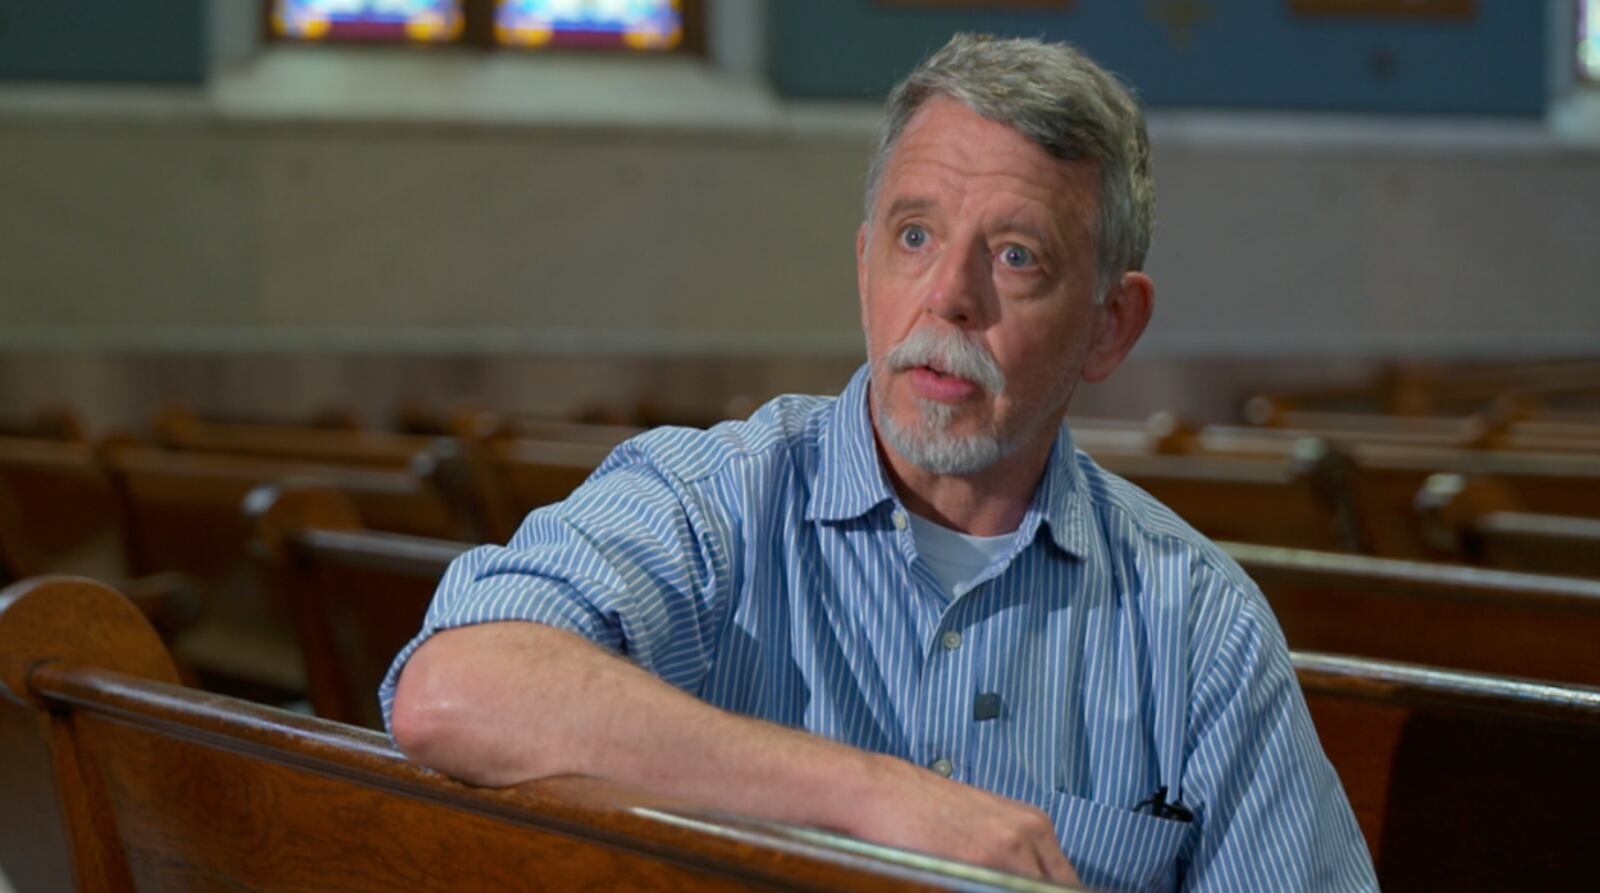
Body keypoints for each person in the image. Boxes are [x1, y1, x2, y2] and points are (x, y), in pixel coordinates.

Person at [384, 33, 1377, 892]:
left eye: (1017, 255)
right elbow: (455, 687)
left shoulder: (1197, 624)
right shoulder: (710, 501)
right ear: (865, 267)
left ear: (1110, 325)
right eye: (914, 235)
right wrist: (878, 797)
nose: (946, 296)